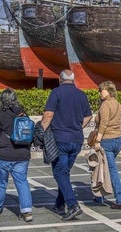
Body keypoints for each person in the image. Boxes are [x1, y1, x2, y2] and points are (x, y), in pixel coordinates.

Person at [41, 69, 92, 221]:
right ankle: (59, 204)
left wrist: (40, 132)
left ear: (60, 79)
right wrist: (77, 127)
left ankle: (72, 205)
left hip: (60, 139)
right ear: (73, 79)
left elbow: (48, 115)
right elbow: (88, 116)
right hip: (76, 140)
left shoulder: (56, 93)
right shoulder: (81, 94)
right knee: (64, 173)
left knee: (59, 173)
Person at [0, 88, 33, 222]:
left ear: (2, 100)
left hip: (3, 154)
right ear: (15, 99)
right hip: (22, 154)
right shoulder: (23, 112)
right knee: (22, 182)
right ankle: (26, 212)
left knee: (0, 183)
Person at [91, 80, 121, 209]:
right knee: (104, 167)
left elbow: (104, 123)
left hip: (107, 141)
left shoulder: (105, 104)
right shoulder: (117, 103)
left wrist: (97, 141)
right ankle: (99, 196)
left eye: (100, 90)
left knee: (111, 170)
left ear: (106, 90)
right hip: (118, 139)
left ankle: (120, 199)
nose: (99, 93)